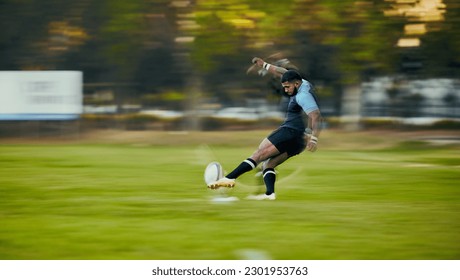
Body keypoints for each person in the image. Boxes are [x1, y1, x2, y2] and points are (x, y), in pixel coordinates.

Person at [207, 57, 322, 200]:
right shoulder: (302, 82)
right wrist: (264, 65)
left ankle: (228, 179)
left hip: (290, 131)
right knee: (269, 164)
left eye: (288, 87)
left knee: (259, 154)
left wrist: (314, 138)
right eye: (284, 87)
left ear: (297, 83)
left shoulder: (303, 95)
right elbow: (281, 71)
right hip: (299, 142)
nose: (286, 90)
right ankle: (269, 194)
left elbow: (316, 115)